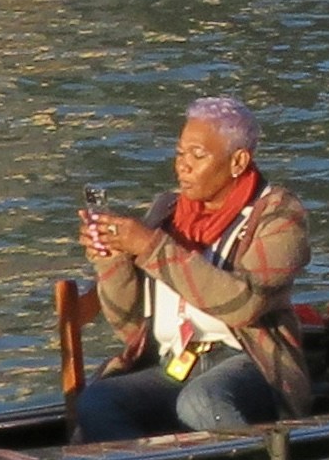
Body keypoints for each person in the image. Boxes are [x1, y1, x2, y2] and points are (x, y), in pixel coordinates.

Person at [74, 97, 312, 441]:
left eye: (198, 156)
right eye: (180, 154)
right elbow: (129, 326)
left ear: (238, 161)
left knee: (201, 400)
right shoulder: (166, 211)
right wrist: (113, 259)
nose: (183, 166)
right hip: (174, 361)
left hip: (249, 363)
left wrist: (150, 247)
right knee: (98, 402)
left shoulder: (279, 215)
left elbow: (243, 304)